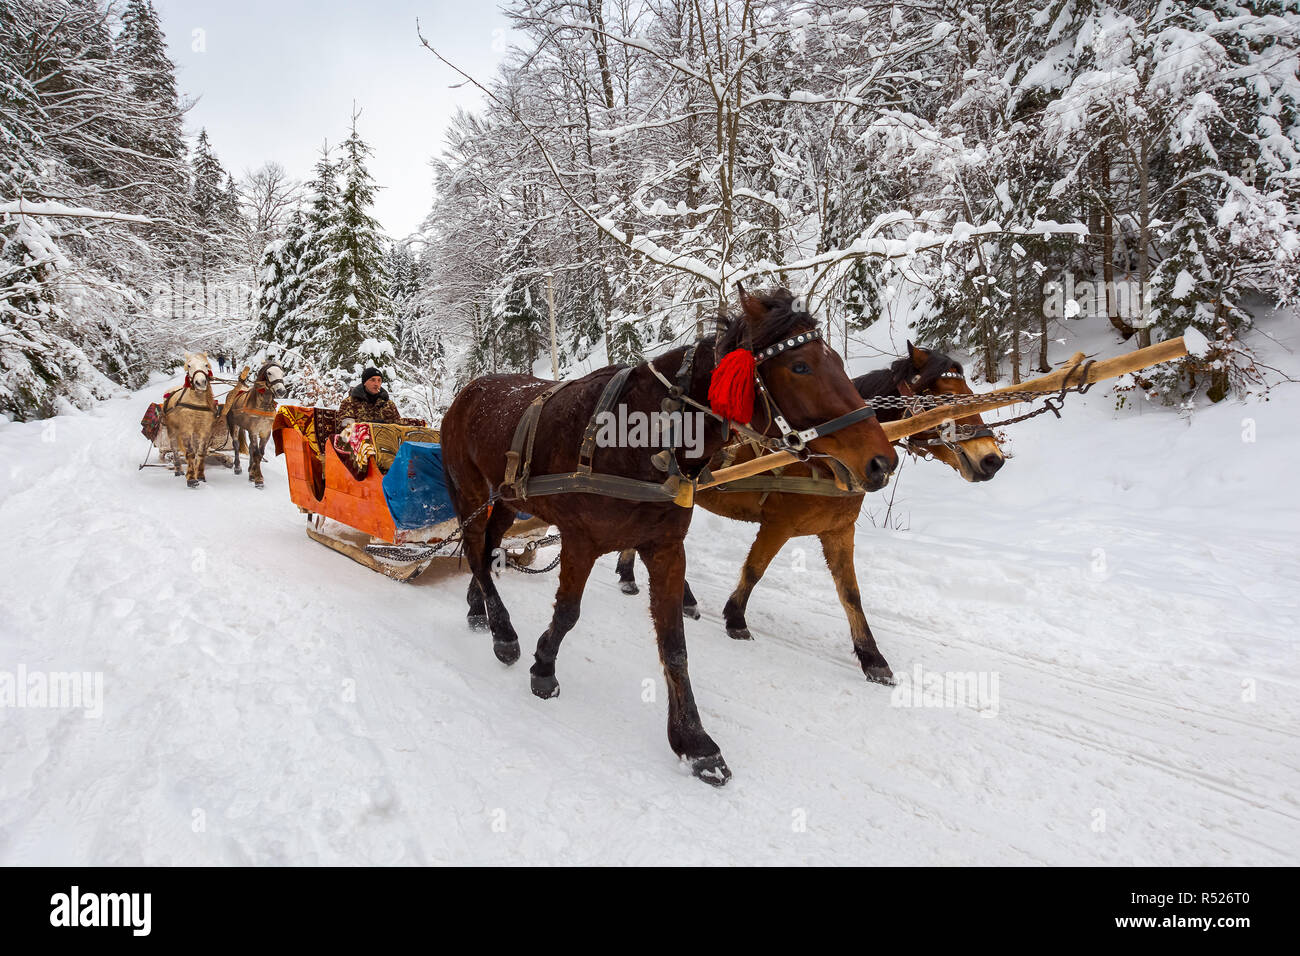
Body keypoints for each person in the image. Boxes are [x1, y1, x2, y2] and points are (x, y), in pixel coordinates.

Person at [338, 367, 403, 425]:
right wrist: (369, 425)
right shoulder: (350, 403)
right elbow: (343, 427)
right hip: (358, 437)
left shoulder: (388, 404)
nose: (376, 384)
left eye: (379, 380)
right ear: (365, 382)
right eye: (372, 380)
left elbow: (399, 427)